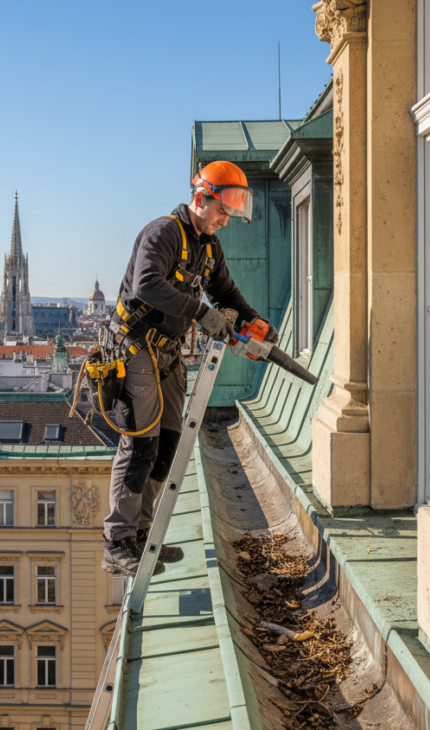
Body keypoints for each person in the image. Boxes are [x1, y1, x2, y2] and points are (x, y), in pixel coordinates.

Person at [101, 160, 277, 576]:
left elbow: (226, 292)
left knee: (166, 446)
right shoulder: (163, 233)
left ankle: (141, 536)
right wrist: (201, 312)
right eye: (222, 212)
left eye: (230, 214)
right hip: (134, 349)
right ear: (200, 199)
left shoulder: (208, 247)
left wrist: (254, 325)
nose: (225, 221)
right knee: (140, 445)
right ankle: (117, 541)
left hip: (167, 354)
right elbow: (146, 284)